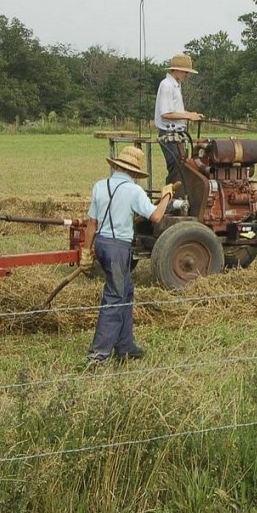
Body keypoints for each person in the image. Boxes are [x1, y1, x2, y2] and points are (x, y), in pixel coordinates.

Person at [81, 145, 176, 364]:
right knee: (115, 297)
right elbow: (156, 216)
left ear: (115, 166)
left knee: (126, 291)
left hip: (102, 245)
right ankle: (98, 354)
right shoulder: (134, 191)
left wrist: (86, 251)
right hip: (118, 249)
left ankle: (125, 346)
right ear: (134, 172)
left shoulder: (99, 186)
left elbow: (92, 223)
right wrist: (166, 196)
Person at [155, 53, 205, 178]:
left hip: (177, 133)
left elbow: (175, 110)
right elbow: (165, 113)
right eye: (185, 72)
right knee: (176, 168)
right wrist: (188, 117)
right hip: (168, 133)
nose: (187, 75)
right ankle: (171, 194)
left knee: (182, 167)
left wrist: (192, 114)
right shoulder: (167, 85)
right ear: (176, 70)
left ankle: (179, 194)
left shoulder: (175, 85)